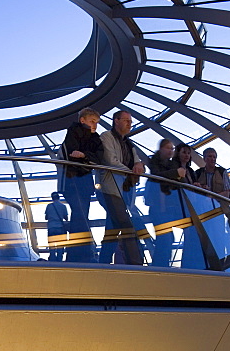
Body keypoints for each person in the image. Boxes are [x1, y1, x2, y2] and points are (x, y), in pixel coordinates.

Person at [98, 110, 145, 265]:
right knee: (126, 224)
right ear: (116, 121)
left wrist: (138, 165)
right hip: (109, 189)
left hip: (123, 192)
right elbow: (110, 161)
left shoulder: (129, 144)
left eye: (130, 121)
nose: (129, 124)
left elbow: (137, 162)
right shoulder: (106, 137)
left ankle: (102, 263)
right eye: (126, 121)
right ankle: (136, 263)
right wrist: (131, 172)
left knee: (112, 229)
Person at [60, 107, 103, 262]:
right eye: (92, 121)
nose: (95, 125)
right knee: (80, 214)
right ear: (82, 120)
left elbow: (98, 158)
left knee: (80, 214)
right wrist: (88, 159)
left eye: (97, 122)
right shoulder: (76, 132)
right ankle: (82, 253)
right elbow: (74, 154)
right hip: (76, 180)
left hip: (79, 181)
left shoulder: (93, 138)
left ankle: (76, 253)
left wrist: (84, 156)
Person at [147, 139, 187, 267]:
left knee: (165, 239)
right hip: (160, 208)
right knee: (165, 239)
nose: (171, 151)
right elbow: (157, 176)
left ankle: (161, 266)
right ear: (161, 149)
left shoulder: (166, 165)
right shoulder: (157, 164)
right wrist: (176, 174)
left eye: (172, 148)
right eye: (168, 148)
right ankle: (161, 267)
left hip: (164, 208)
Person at [45, 193, 69, 261]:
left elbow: (46, 217)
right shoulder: (63, 206)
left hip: (51, 227)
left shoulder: (49, 206)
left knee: (52, 246)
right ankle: (59, 261)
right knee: (60, 247)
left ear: (52, 198)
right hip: (60, 227)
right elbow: (66, 218)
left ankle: (52, 261)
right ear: (59, 197)